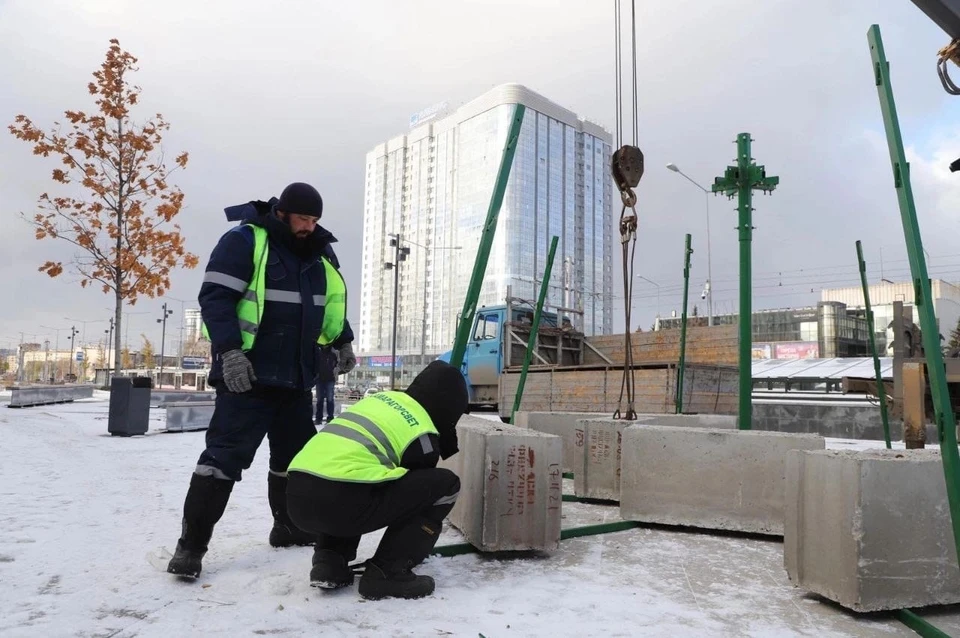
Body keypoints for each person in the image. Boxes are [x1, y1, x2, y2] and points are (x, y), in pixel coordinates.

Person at [166, 182, 357, 579]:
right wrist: (230, 352)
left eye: (315, 219)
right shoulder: (245, 240)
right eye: (303, 217)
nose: (309, 225)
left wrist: (343, 341)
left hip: (296, 380)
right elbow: (215, 298)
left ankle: (288, 527)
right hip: (247, 378)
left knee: (295, 463)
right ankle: (190, 549)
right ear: (283, 213)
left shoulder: (319, 252)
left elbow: (326, 306)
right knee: (221, 463)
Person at [285, 360, 468, 600]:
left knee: (361, 477)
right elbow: (413, 499)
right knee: (444, 485)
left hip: (296, 498)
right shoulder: (421, 431)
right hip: (339, 502)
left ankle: (330, 562)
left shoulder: (379, 401)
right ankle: (388, 572)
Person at [315, 345, 338, 424]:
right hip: (319, 380)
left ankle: (330, 417)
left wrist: (334, 374)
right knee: (319, 400)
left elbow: (337, 366)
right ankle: (318, 419)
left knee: (330, 399)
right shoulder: (318, 354)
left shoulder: (333, 355)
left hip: (330, 380)